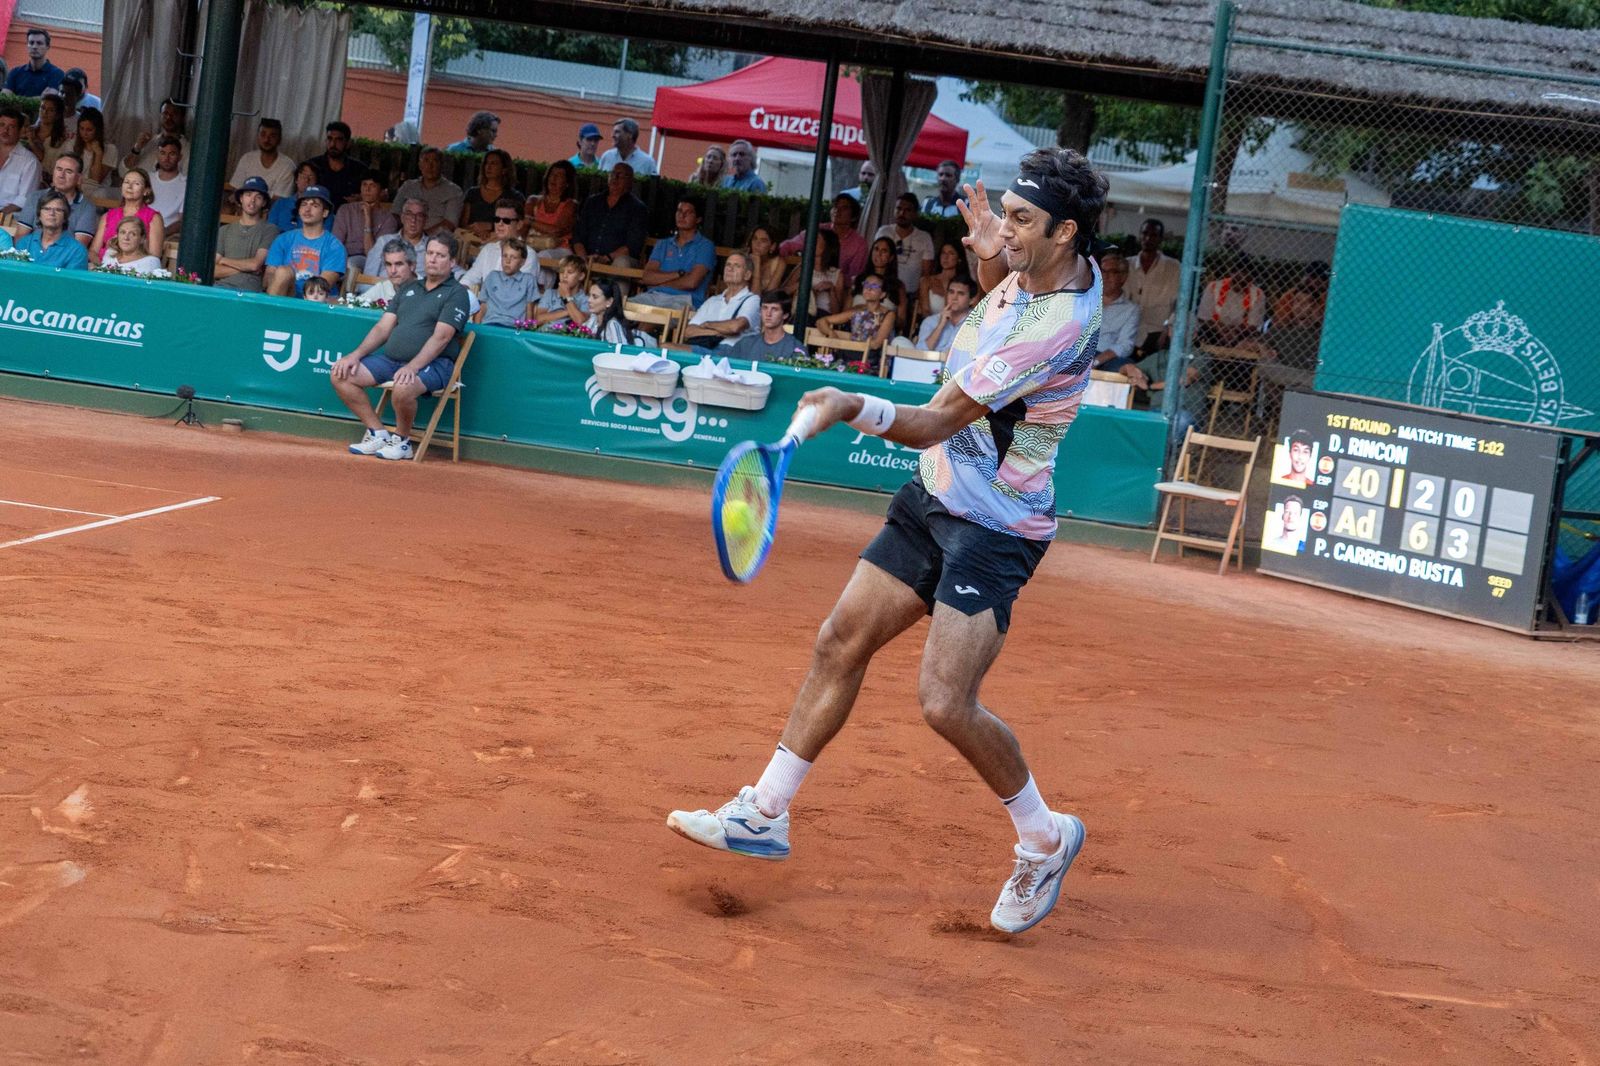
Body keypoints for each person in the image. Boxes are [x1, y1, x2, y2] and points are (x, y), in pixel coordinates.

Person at [666, 148, 1109, 936]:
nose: (1003, 231)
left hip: (997, 529)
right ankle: (765, 811)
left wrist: (848, 404)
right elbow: (999, 319)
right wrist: (989, 262)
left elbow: (938, 418)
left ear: (1067, 232)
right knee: (839, 640)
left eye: (1021, 221)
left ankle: (1046, 838)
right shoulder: (1041, 268)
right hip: (935, 495)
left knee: (944, 702)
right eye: (1003, 212)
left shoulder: (1062, 324)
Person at [331, 233, 472, 462]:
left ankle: (403, 442)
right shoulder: (409, 287)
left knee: (403, 386)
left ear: (452, 261)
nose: (433, 259)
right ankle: (378, 433)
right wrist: (354, 356)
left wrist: (413, 367)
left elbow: (442, 337)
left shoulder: (457, 293)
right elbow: (382, 329)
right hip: (392, 361)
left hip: (435, 365)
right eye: (430, 253)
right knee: (341, 374)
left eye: (440, 255)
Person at [632, 196, 717, 310]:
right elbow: (647, 277)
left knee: (658, 314)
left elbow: (692, 282)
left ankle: (641, 328)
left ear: (698, 219)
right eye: (679, 211)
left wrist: (660, 283)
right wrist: (679, 274)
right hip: (653, 296)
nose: (682, 216)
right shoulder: (662, 244)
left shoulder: (705, 246)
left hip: (686, 300)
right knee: (620, 309)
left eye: (688, 212)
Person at [264, 184, 347, 297]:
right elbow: (268, 278)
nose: (307, 209)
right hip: (284, 297)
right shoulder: (283, 239)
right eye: (304, 204)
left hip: (315, 301)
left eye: (315, 205)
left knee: (286, 273)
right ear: (298, 210)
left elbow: (322, 286)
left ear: (325, 213)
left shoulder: (335, 246)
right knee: (283, 272)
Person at [779, 194, 867, 289]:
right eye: (835, 206)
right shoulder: (817, 230)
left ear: (853, 217)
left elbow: (854, 277)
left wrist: (831, 279)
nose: (837, 210)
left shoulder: (860, 244)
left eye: (844, 208)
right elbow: (788, 245)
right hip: (805, 283)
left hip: (838, 290)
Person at [572, 163, 648, 268]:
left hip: (616, 259)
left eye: (620, 176)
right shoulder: (592, 202)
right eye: (612, 174)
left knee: (622, 262)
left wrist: (606, 258)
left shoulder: (637, 208)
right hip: (587, 257)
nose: (615, 178)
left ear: (630, 181)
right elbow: (578, 235)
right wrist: (583, 258)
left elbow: (633, 245)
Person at [14, 153, 97, 248]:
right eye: (59, 169)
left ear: (79, 179)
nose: (61, 175)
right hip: (32, 256)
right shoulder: (35, 197)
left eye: (68, 171)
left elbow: (78, 247)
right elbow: (21, 237)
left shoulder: (87, 207)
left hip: (64, 260)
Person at [681, 252, 760, 350]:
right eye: (728, 265)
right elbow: (689, 332)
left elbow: (735, 327)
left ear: (747, 275)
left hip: (732, 353)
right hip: (705, 349)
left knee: (668, 348)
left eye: (737, 266)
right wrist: (717, 332)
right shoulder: (712, 301)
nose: (730, 269)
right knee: (666, 348)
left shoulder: (752, 299)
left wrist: (707, 324)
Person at [213, 176, 280, 292]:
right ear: (241, 198)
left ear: (264, 202)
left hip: (250, 292)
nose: (252, 200)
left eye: (258, 197)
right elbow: (213, 270)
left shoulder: (270, 229)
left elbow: (255, 265)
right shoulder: (224, 230)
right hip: (221, 288)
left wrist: (223, 260)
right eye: (248, 194)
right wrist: (244, 268)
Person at [874, 193, 935, 315]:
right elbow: (874, 259)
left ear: (915, 213)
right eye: (899, 209)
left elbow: (926, 273)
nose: (902, 213)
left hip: (911, 295)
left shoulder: (924, 238)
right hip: (882, 289)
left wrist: (919, 296)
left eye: (907, 210)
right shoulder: (884, 231)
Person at [815, 270, 896, 362]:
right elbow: (821, 321)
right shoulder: (857, 309)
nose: (868, 289)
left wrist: (849, 345)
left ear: (882, 294)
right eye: (866, 285)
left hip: (871, 359)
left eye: (874, 286)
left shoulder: (888, 314)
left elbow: (876, 344)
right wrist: (831, 333)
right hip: (850, 354)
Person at [1127, 218, 1179, 356]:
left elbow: (1178, 303)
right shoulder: (1127, 265)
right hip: (1126, 330)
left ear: (1161, 239)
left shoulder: (1173, 268)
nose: (1148, 238)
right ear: (1140, 235)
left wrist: (1168, 328)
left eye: (1154, 235)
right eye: (1144, 233)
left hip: (1157, 331)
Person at [461, 197, 539, 289]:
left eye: (506, 221)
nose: (500, 224)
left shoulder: (529, 255)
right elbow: (470, 278)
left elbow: (518, 291)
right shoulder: (487, 249)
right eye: (497, 219)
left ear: (519, 224)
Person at [1091, 250, 1144, 383]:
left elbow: (1125, 345)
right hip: (1079, 352)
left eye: (1112, 272)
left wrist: (1095, 362)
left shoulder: (1131, 309)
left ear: (1123, 277)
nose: (1105, 276)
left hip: (1106, 358)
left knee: (1125, 365)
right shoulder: (1084, 299)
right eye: (1102, 271)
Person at [329, 175, 398, 276]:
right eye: (364, 184)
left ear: (382, 191)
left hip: (371, 262)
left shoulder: (388, 219)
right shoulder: (346, 210)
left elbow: (373, 255)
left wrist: (368, 218)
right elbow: (336, 243)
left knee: (353, 264)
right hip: (344, 257)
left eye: (373, 185)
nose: (367, 189)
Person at [90, 168, 163, 263]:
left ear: (146, 191)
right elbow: (93, 251)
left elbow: (154, 256)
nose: (129, 186)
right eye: (126, 182)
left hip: (135, 271)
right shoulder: (108, 216)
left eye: (136, 183)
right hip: (104, 270)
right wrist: (103, 267)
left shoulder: (153, 218)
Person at [1195, 254, 1265, 346]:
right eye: (1237, 280)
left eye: (1244, 283)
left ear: (1251, 280)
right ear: (1231, 274)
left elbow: (1253, 324)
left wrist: (1234, 331)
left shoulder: (1258, 294)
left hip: (1240, 335)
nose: (1239, 285)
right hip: (1214, 331)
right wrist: (1221, 329)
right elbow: (1203, 317)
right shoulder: (1214, 287)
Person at [394, 146, 463, 236]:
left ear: (442, 165)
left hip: (436, 241)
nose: (430, 166)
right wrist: (407, 233)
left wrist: (421, 237)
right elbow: (395, 215)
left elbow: (449, 224)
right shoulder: (408, 186)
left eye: (435, 161)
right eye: (426, 161)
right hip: (405, 236)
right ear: (420, 165)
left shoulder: (453, 191)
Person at [17, 191, 89, 269]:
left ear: (65, 217)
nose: (51, 213)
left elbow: (72, 281)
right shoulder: (24, 243)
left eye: (58, 210)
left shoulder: (77, 251)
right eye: (47, 209)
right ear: (39, 216)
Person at [476, 238, 538, 327]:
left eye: (513, 257)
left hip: (513, 328)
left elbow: (530, 308)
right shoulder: (492, 277)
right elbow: (482, 306)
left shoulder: (528, 280)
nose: (507, 261)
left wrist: (527, 330)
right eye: (505, 256)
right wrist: (477, 329)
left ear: (522, 262)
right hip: (490, 324)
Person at [728, 291, 807, 362]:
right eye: (765, 308)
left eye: (774, 309)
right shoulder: (745, 344)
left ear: (785, 315)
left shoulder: (795, 348)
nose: (768, 314)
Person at [228, 118, 296, 199]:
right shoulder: (247, 158)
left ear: (279, 139)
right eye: (263, 134)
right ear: (258, 137)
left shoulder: (287, 166)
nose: (267, 140)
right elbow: (236, 189)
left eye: (272, 136)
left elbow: (279, 200)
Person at [460, 149, 522, 237]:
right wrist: (475, 231)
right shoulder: (472, 193)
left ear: (504, 169)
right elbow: (462, 224)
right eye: (486, 163)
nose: (488, 167)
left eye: (494, 163)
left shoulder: (514, 197)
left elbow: (518, 225)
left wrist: (490, 226)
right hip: (472, 239)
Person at [305, 121, 368, 206]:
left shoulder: (359, 169)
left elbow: (376, 193)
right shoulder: (312, 165)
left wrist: (362, 198)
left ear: (348, 143)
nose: (333, 144)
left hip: (348, 215)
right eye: (330, 139)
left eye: (339, 140)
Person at [524, 159, 578, 254]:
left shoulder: (570, 204)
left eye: (559, 175)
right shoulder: (533, 200)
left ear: (567, 183)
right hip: (532, 245)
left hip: (560, 248)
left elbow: (557, 231)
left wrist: (531, 221)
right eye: (552, 174)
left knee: (543, 256)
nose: (554, 178)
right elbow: (523, 226)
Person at [913, 274, 975, 354]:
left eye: (960, 294)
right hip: (930, 365)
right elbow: (921, 352)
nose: (954, 298)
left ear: (971, 300)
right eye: (951, 292)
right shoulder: (930, 321)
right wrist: (941, 325)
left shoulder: (978, 323)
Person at [123, 100, 188, 174]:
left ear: (182, 118)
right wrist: (136, 149)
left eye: (174, 114)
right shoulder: (150, 141)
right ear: (160, 116)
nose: (169, 117)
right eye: (165, 113)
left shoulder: (186, 149)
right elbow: (123, 171)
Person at [68, 107, 117, 199]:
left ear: (98, 130)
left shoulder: (110, 149)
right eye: (81, 128)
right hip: (75, 188)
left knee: (99, 194)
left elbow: (96, 181)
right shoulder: (71, 145)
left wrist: (98, 154)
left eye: (89, 130)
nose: (84, 133)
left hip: (98, 191)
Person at [0, 108, 42, 214]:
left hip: (8, 220)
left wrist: (0, 215)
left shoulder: (30, 162)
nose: (5, 130)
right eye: (2, 125)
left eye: (12, 127)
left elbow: (24, 200)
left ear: (20, 131)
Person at [530, 254, 589, 328]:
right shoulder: (550, 293)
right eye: (561, 272)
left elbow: (580, 321)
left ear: (581, 276)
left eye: (570, 272)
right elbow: (537, 320)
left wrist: (566, 297)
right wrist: (568, 312)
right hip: (545, 335)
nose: (564, 276)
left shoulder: (586, 299)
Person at [371, 197, 430, 269]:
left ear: (426, 221)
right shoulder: (384, 242)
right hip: (383, 280)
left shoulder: (432, 247)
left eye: (419, 215)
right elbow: (368, 275)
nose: (413, 220)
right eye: (409, 214)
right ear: (402, 218)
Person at [4, 28, 64, 97]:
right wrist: (40, 98)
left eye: (39, 43)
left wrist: (15, 100)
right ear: (27, 45)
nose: (34, 47)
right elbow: (5, 100)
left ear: (47, 47)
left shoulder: (57, 74)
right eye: (31, 43)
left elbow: (48, 102)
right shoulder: (15, 72)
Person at [356, 240, 419, 306]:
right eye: (388, 264)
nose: (393, 271)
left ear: (412, 266)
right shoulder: (382, 288)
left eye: (398, 264)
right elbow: (356, 306)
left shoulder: (426, 288)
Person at [22, 91, 69, 175]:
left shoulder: (63, 139)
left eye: (51, 110)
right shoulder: (28, 131)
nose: (45, 112)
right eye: (42, 108)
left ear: (58, 114)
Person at [917, 240, 963, 322]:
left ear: (959, 259)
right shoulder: (927, 281)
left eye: (951, 253)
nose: (945, 257)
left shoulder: (963, 284)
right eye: (943, 253)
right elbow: (925, 312)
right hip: (931, 327)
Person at [149, 136, 188, 228]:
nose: (166, 158)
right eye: (163, 153)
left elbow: (182, 221)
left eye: (172, 154)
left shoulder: (186, 184)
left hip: (169, 234)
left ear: (180, 157)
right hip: (143, 230)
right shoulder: (147, 178)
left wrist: (161, 234)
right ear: (157, 155)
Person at [583, 276, 635, 345]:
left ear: (609, 302)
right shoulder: (593, 319)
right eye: (589, 295)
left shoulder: (612, 324)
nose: (589, 300)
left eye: (595, 297)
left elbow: (620, 352)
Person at [268, 162, 318, 232]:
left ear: (316, 182)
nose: (307, 180)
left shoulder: (321, 208)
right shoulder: (280, 204)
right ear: (296, 180)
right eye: (303, 176)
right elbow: (270, 231)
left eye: (311, 177)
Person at [743, 225, 787, 295]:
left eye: (763, 241)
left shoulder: (779, 263)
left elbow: (768, 296)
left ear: (773, 246)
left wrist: (757, 265)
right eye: (755, 239)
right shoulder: (743, 259)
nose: (757, 244)